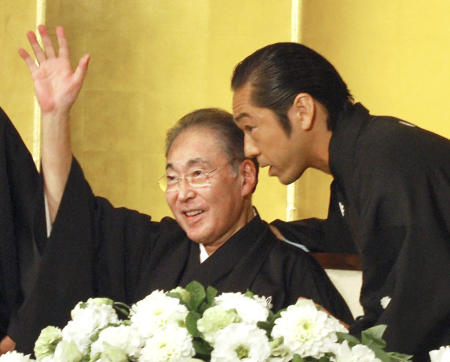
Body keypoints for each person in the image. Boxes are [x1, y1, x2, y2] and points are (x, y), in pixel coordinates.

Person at [1, 26, 353, 354]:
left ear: (246, 177)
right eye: (172, 178)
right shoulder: (156, 248)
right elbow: (74, 222)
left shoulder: (291, 272)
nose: (182, 193)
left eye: (198, 174)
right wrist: (56, 115)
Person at [231, 42, 450, 360]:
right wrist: (274, 233)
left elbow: (416, 304)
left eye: (251, 128)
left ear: (303, 111)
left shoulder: (387, 161)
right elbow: (346, 235)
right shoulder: (365, 158)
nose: (249, 148)